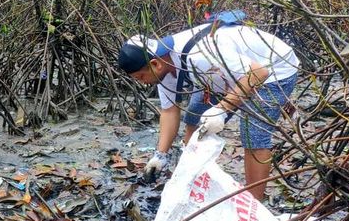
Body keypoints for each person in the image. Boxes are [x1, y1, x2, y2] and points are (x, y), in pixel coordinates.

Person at [117, 20, 299, 200]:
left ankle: (254, 204)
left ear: (155, 64)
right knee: (194, 120)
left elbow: (259, 73)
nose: (143, 82)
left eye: (141, 76)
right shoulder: (165, 67)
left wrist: (222, 108)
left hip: (274, 69)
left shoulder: (199, 56)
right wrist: (160, 155)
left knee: (253, 135)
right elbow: (169, 111)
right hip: (224, 74)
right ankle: (193, 185)